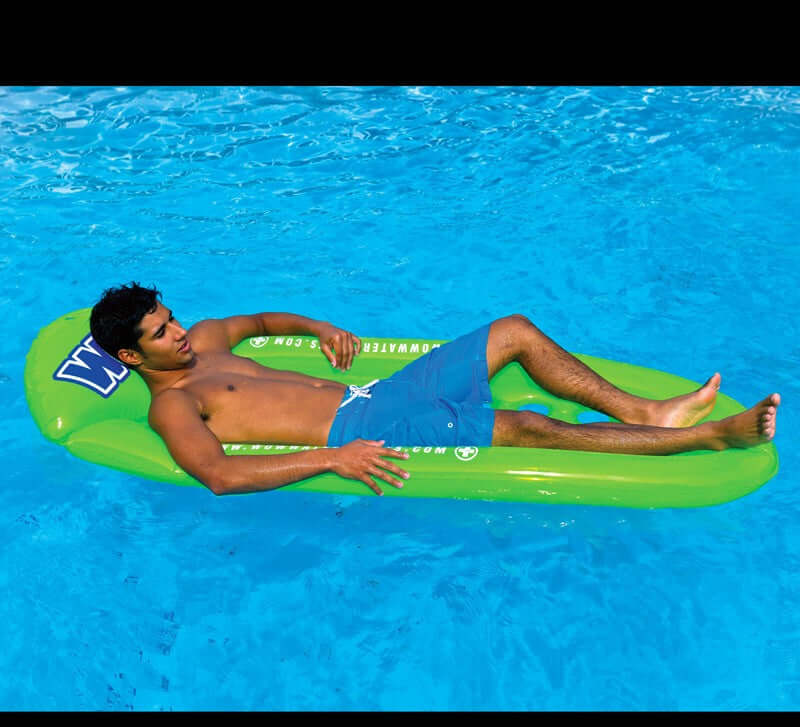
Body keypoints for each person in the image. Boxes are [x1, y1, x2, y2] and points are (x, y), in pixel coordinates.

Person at [89, 282, 780, 497]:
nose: (177, 331)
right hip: (364, 431)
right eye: (159, 332)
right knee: (525, 429)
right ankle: (709, 434)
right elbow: (217, 475)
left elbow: (264, 320)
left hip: (372, 392)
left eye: (170, 317)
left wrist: (316, 324)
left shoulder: (210, 336)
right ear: (130, 354)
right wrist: (331, 459)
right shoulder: (172, 406)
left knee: (512, 329)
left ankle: (647, 412)